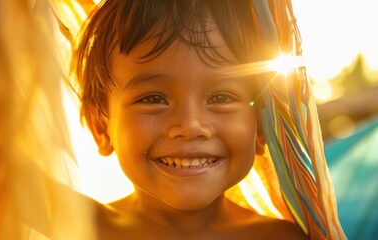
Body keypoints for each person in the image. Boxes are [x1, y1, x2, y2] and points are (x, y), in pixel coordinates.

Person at [73, 0, 346, 239]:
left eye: (221, 98)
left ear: (262, 128)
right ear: (101, 126)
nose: (191, 126)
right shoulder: (79, 227)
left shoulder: (280, 238)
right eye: (154, 99)